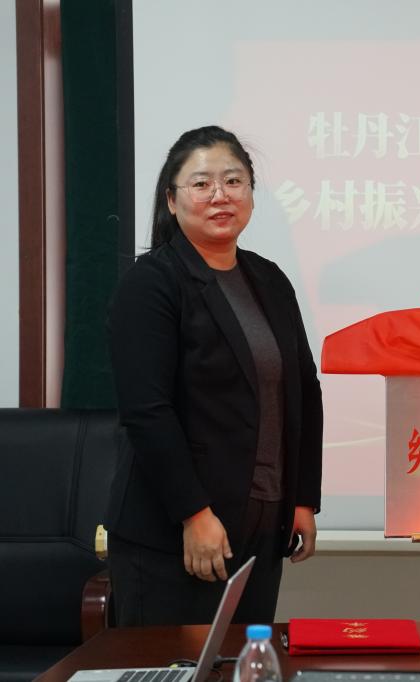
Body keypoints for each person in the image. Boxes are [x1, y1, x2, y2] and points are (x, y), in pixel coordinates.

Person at [106, 126, 323, 625]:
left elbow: (303, 393)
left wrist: (302, 499)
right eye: (201, 184)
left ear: (251, 192)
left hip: (263, 524)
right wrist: (194, 513)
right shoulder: (152, 283)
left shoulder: (269, 279)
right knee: (174, 664)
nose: (220, 195)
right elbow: (147, 413)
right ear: (172, 199)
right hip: (177, 533)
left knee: (245, 659)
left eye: (234, 180)